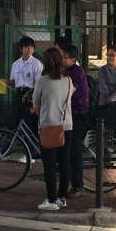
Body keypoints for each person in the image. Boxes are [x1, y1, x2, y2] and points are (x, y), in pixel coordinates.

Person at [32, 48, 75, 211]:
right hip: (67, 126)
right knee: (65, 163)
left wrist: (44, 113)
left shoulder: (42, 81)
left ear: (45, 62)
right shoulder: (68, 80)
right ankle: (62, 198)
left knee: (49, 166)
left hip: (48, 126)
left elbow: (36, 105)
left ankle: (51, 200)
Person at [62, 44, 90, 197]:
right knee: (70, 149)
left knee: (74, 150)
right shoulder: (68, 71)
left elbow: (68, 92)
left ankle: (78, 185)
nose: (63, 59)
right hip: (71, 114)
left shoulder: (75, 73)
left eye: (65, 57)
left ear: (73, 59)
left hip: (78, 115)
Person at [10, 36, 43, 129]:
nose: (29, 49)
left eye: (31, 47)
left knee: (29, 122)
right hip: (18, 94)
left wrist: (34, 102)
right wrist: (4, 82)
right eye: (26, 47)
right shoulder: (15, 64)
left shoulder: (37, 64)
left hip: (30, 95)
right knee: (17, 120)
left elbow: (38, 85)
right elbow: (13, 81)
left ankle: (29, 138)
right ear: (21, 49)